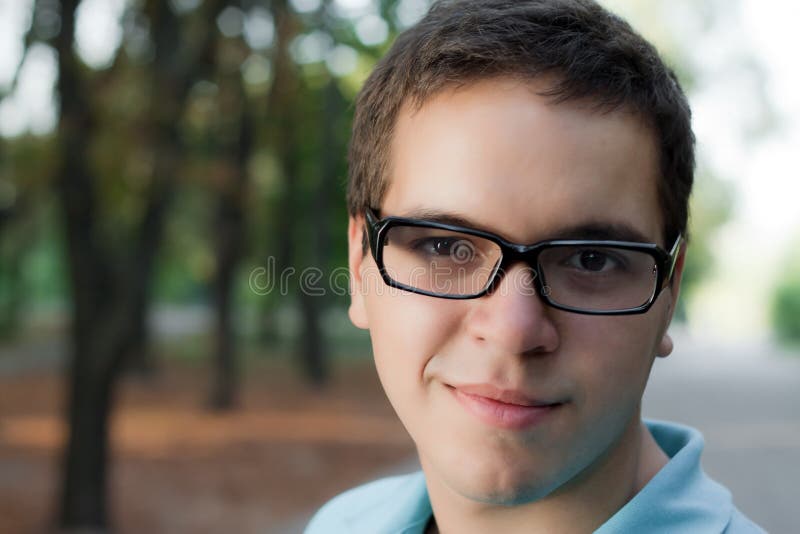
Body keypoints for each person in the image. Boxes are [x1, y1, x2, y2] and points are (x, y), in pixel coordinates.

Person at [306, 0, 765, 532]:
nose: (514, 330)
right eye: (445, 247)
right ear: (360, 264)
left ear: (670, 291)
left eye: (591, 260)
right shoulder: (341, 523)